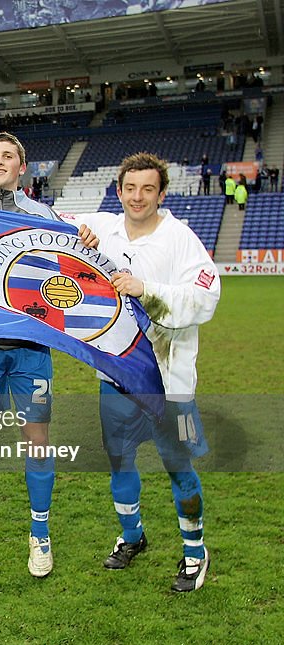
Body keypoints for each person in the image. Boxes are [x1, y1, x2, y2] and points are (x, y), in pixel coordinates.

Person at [70, 153, 218, 592]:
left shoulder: (180, 238)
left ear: (161, 193)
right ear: (119, 191)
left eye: (147, 189)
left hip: (168, 380)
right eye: (130, 189)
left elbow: (205, 298)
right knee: (119, 459)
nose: (137, 197)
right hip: (116, 376)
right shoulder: (104, 228)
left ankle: (195, 552)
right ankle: (132, 536)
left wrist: (145, 289)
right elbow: (44, 221)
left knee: (177, 465)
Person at [0, 132, 96, 578]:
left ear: (23, 168)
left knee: (36, 441)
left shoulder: (44, 216)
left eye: (8, 156)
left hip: (31, 348)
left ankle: (40, 532)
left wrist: (84, 237)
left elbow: (73, 263)